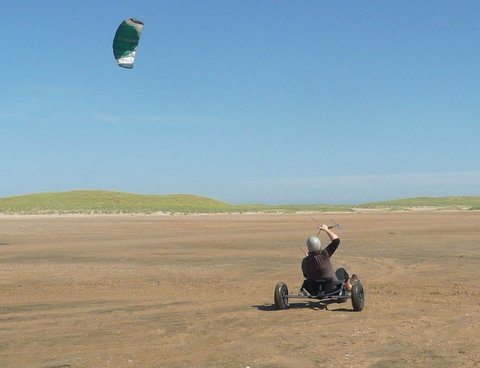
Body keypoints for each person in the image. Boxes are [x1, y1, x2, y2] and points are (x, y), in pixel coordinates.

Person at [300, 224, 355, 295]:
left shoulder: (304, 261)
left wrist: (308, 259)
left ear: (308, 247)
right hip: (332, 289)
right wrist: (326, 229)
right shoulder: (324, 255)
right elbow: (336, 240)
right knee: (341, 271)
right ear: (319, 245)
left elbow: (306, 275)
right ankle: (349, 287)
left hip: (314, 290)